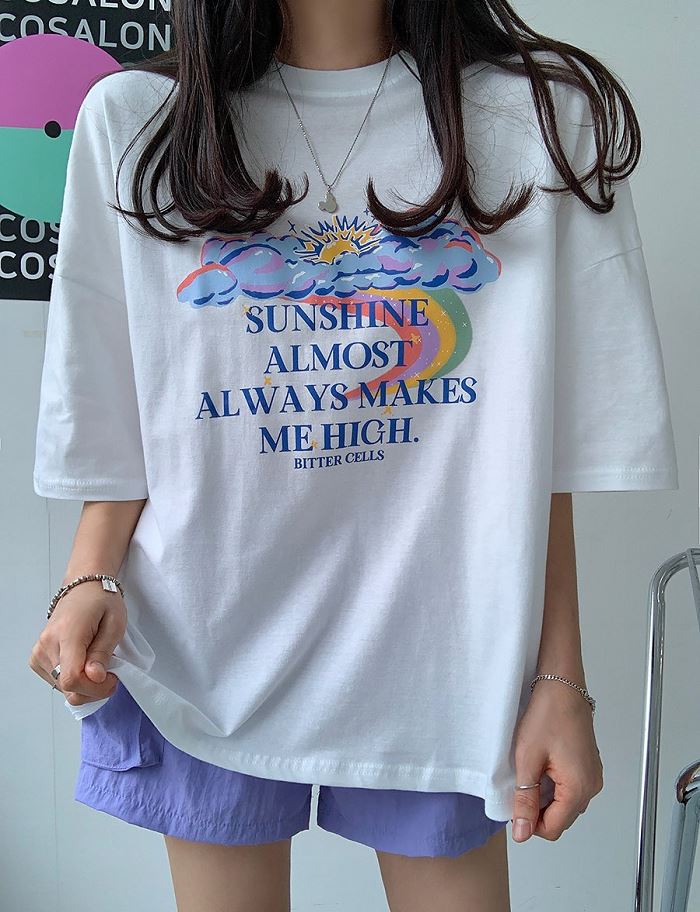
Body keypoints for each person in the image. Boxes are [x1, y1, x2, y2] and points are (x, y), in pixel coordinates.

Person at [29, 0, 679, 909]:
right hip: (199, 640)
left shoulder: (536, 117)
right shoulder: (137, 118)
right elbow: (115, 392)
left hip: (447, 652)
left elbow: (542, 447)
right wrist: (87, 575)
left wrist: (558, 674)